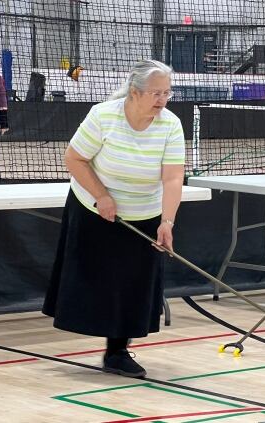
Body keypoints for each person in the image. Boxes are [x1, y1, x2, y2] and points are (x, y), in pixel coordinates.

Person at [43, 59, 185, 378]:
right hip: (93, 207)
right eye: (156, 93)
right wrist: (102, 195)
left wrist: (168, 222)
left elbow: (174, 177)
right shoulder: (104, 115)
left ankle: (117, 351)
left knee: (133, 284)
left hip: (144, 213)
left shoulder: (170, 124)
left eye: (167, 93)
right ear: (135, 92)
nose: (163, 100)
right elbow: (75, 158)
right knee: (93, 276)